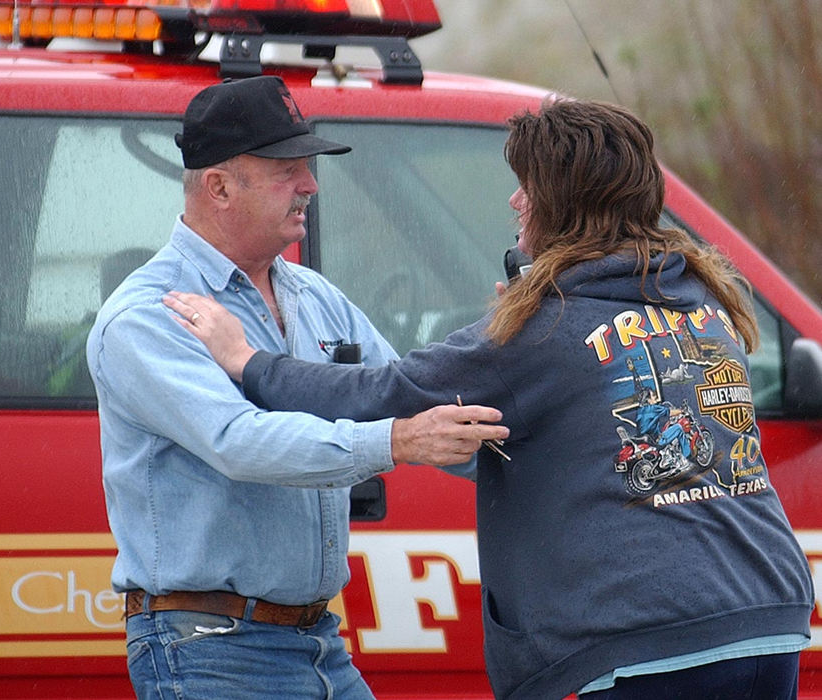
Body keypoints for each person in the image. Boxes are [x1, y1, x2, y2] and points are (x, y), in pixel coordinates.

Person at [163, 98, 814, 700]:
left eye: (526, 187)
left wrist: (248, 362)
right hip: (771, 621)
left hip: (646, 646)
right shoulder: (700, 301)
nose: (514, 201)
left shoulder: (548, 327)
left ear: (556, 201)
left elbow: (383, 390)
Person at [86, 75, 508, 700]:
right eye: (288, 167)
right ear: (219, 187)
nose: (310, 184)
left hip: (318, 644)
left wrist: (538, 427)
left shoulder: (314, 296)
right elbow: (239, 442)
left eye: (308, 165)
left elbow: (408, 397)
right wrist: (396, 441)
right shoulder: (147, 316)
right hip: (210, 650)